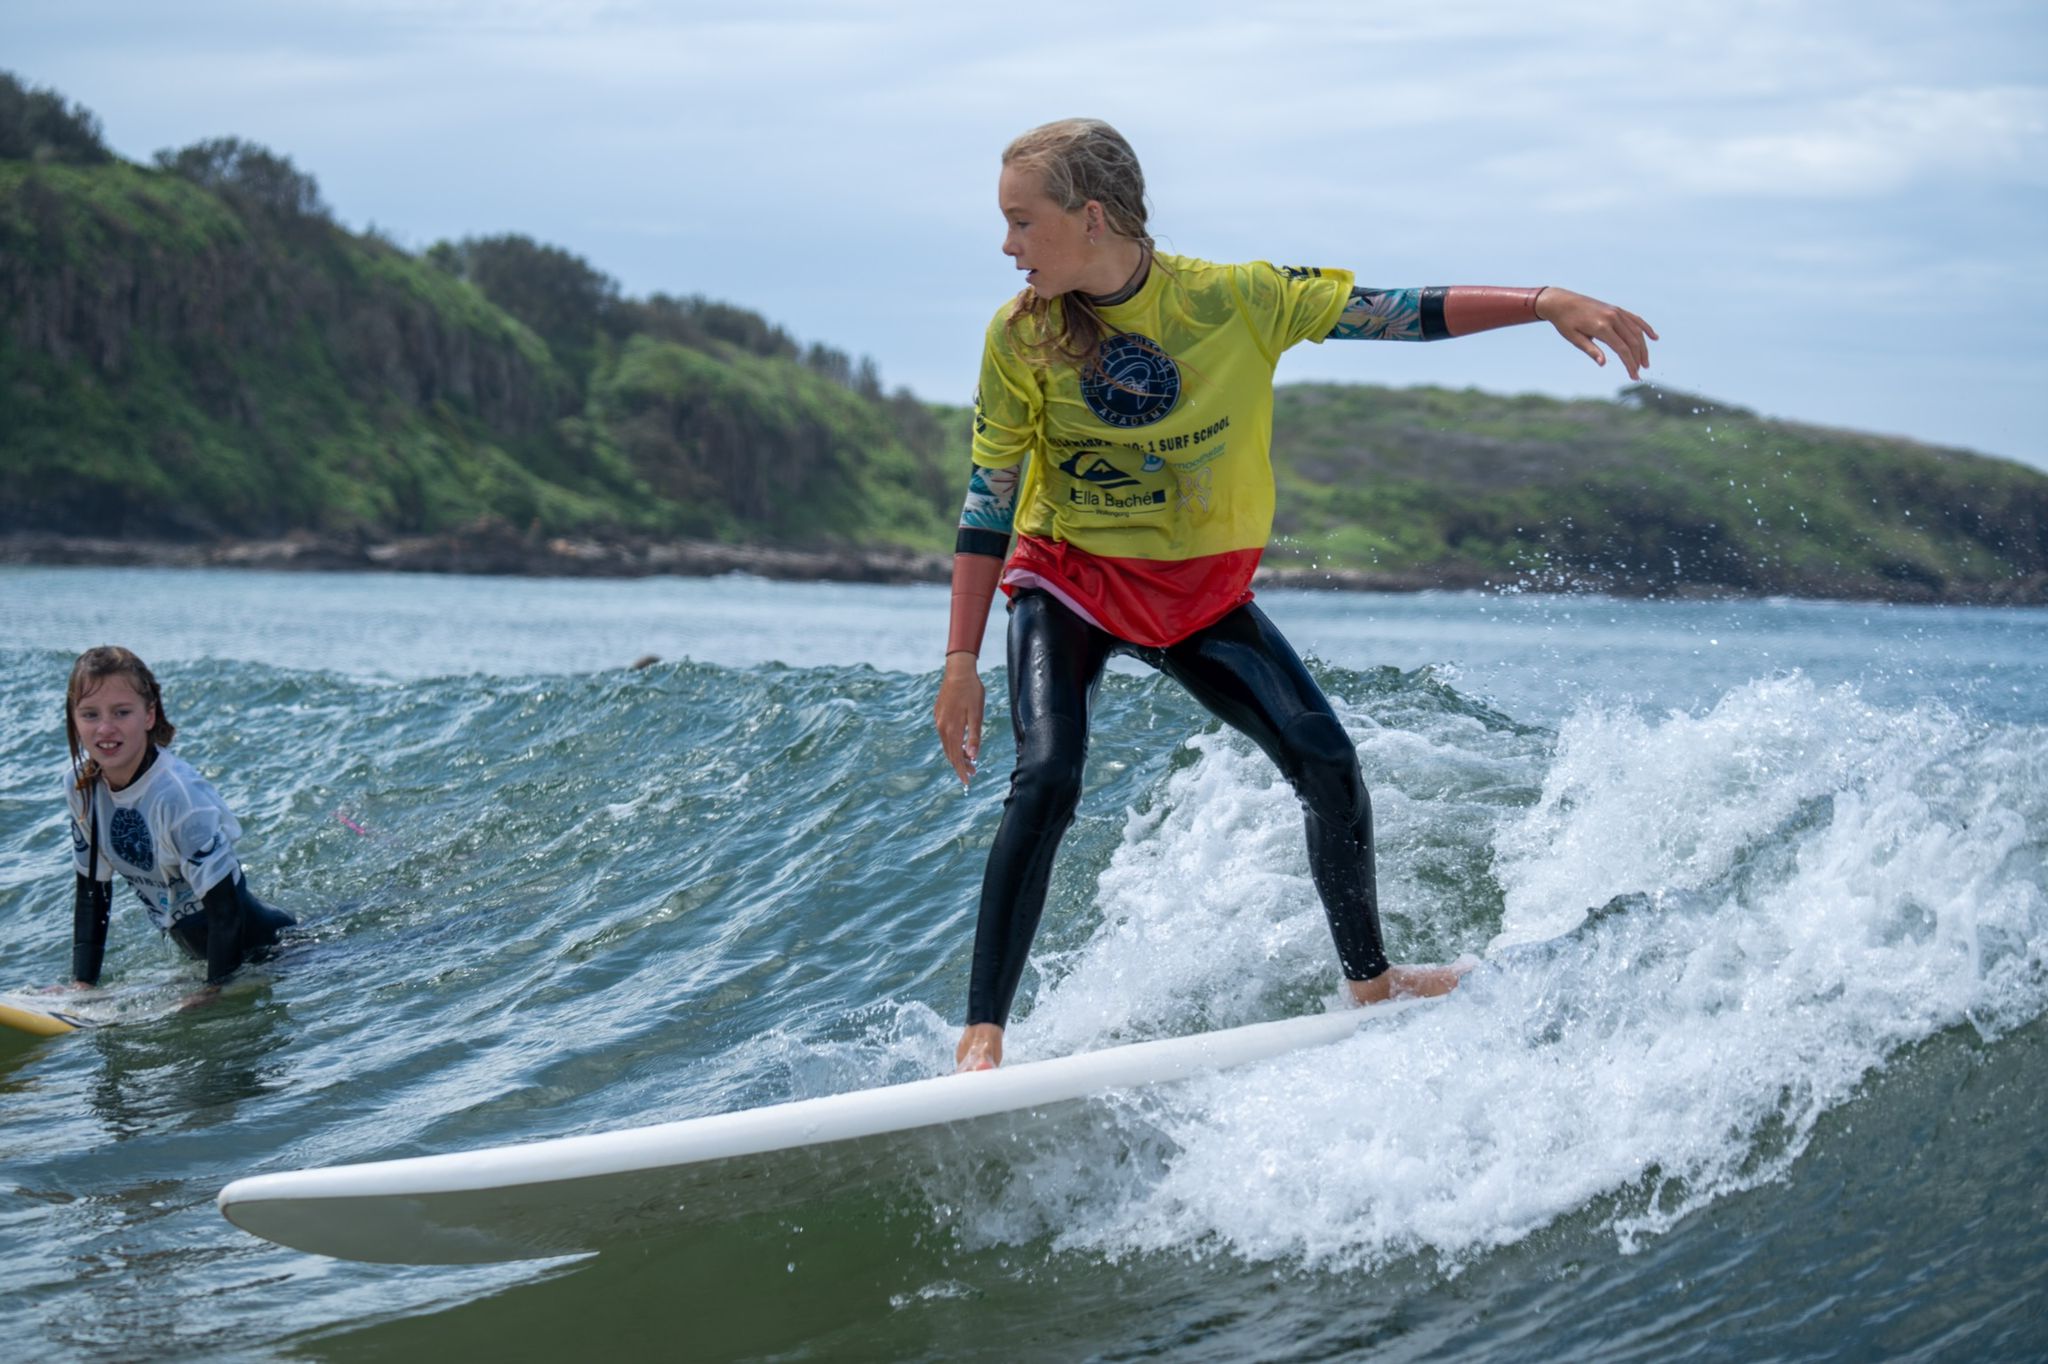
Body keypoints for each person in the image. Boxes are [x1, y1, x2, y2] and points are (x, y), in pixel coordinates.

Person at [934, 118, 1656, 1072]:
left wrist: (1542, 301)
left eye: (1023, 223)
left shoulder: (1236, 301)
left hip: (1195, 593)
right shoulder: (1020, 335)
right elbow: (989, 501)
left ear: (1091, 218)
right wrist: (959, 662)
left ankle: (1372, 982)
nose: (1008, 246)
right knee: (1050, 774)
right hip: (1068, 579)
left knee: (1326, 762)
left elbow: (1394, 310)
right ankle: (983, 1034)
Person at [57, 645, 294, 1000]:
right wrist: (83, 984)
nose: (105, 728)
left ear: (149, 715)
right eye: (90, 714)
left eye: (122, 712)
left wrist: (214, 989)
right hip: (211, 956)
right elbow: (93, 892)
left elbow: (226, 912)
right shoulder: (82, 787)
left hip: (270, 951)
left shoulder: (178, 797)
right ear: (73, 719)